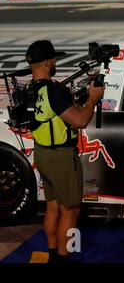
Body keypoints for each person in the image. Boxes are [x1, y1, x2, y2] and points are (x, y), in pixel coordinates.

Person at [26, 40, 104, 263]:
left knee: (52, 208)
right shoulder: (55, 91)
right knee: (71, 211)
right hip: (61, 156)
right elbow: (80, 121)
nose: (55, 62)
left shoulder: (32, 89)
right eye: (54, 59)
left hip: (42, 153)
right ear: (48, 62)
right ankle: (63, 258)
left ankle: (53, 255)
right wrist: (93, 98)